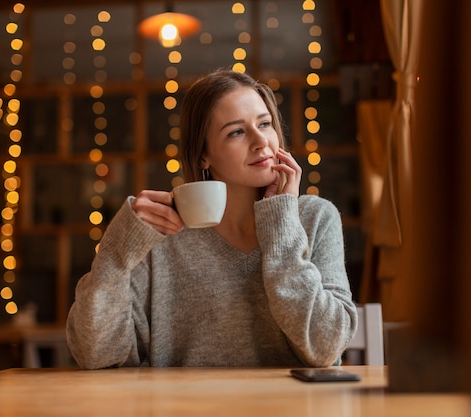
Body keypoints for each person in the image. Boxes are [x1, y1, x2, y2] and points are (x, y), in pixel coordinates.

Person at [66, 68, 357, 369]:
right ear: (203, 155)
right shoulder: (160, 232)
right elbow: (97, 356)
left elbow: (326, 346)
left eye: (265, 123)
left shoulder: (315, 218)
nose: (261, 142)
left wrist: (281, 223)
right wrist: (116, 252)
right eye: (237, 132)